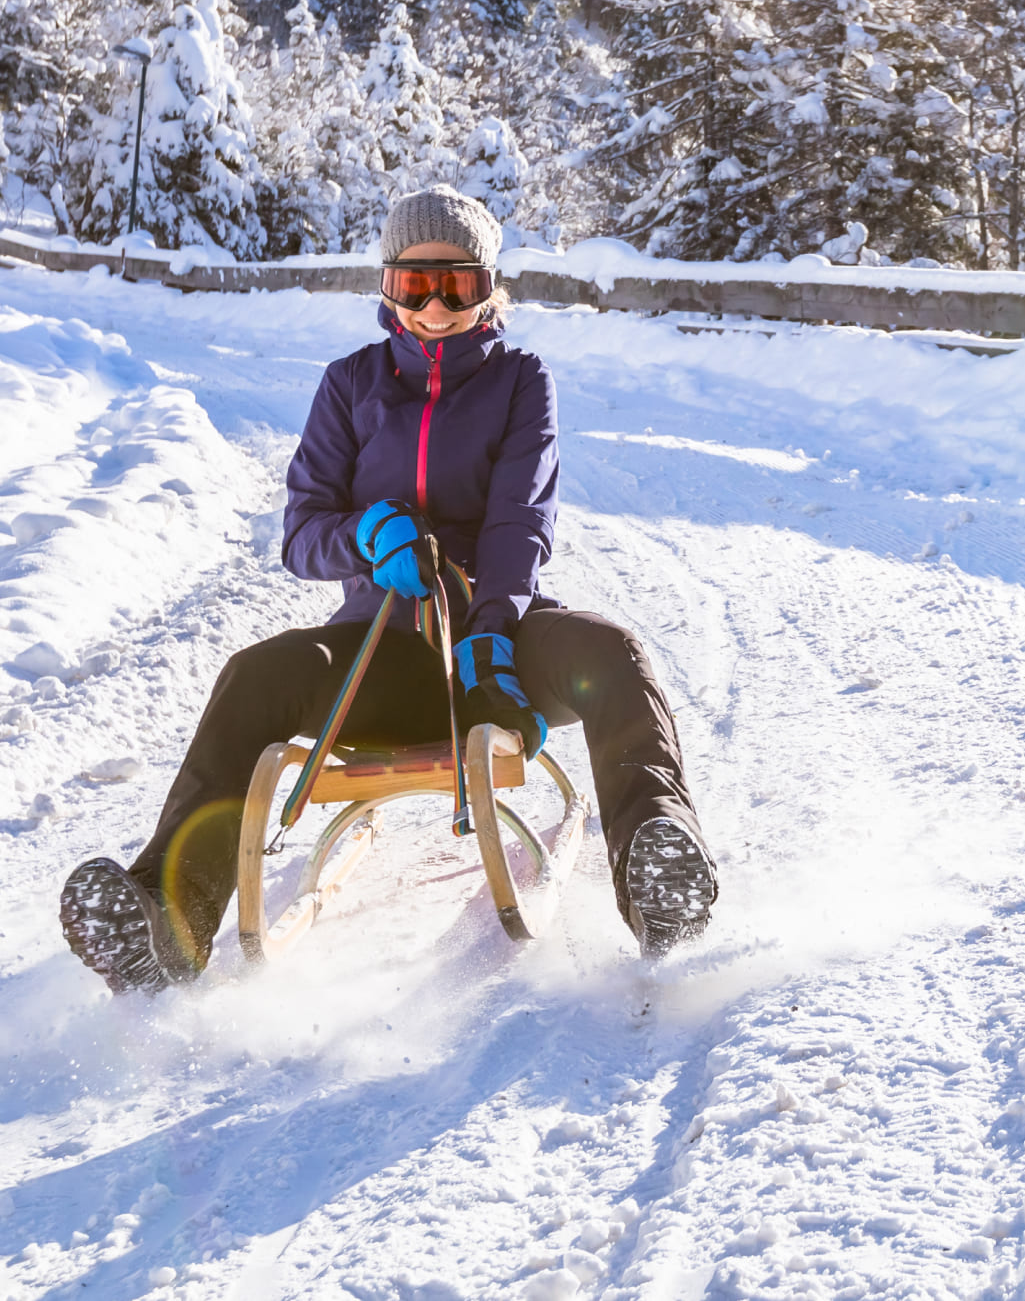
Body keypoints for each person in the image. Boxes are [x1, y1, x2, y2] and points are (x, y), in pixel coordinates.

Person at [59, 184, 718, 994]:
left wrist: (490, 633)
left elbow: (521, 524)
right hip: (385, 651)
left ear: (489, 289)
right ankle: (168, 918)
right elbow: (301, 534)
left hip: (499, 650)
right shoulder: (349, 385)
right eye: (416, 285)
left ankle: (658, 864)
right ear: (386, 287)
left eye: (459, 285)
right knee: (255, 675)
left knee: (611, 651)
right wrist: (366, 538)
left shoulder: (520, 381)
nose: (436, 307)